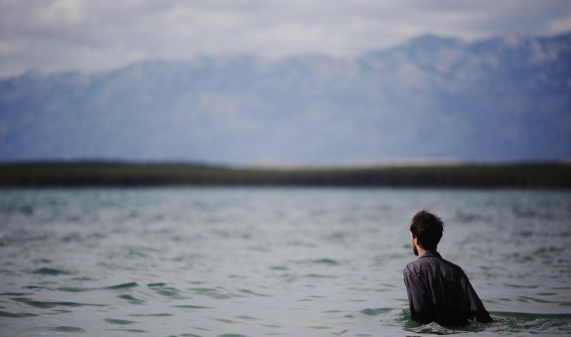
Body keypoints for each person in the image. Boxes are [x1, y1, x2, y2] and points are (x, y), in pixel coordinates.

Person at [403, 210, 493, 327]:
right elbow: (481, 315)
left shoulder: (412, 270)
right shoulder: (456, 271)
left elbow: (420, 314)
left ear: (416, 238)